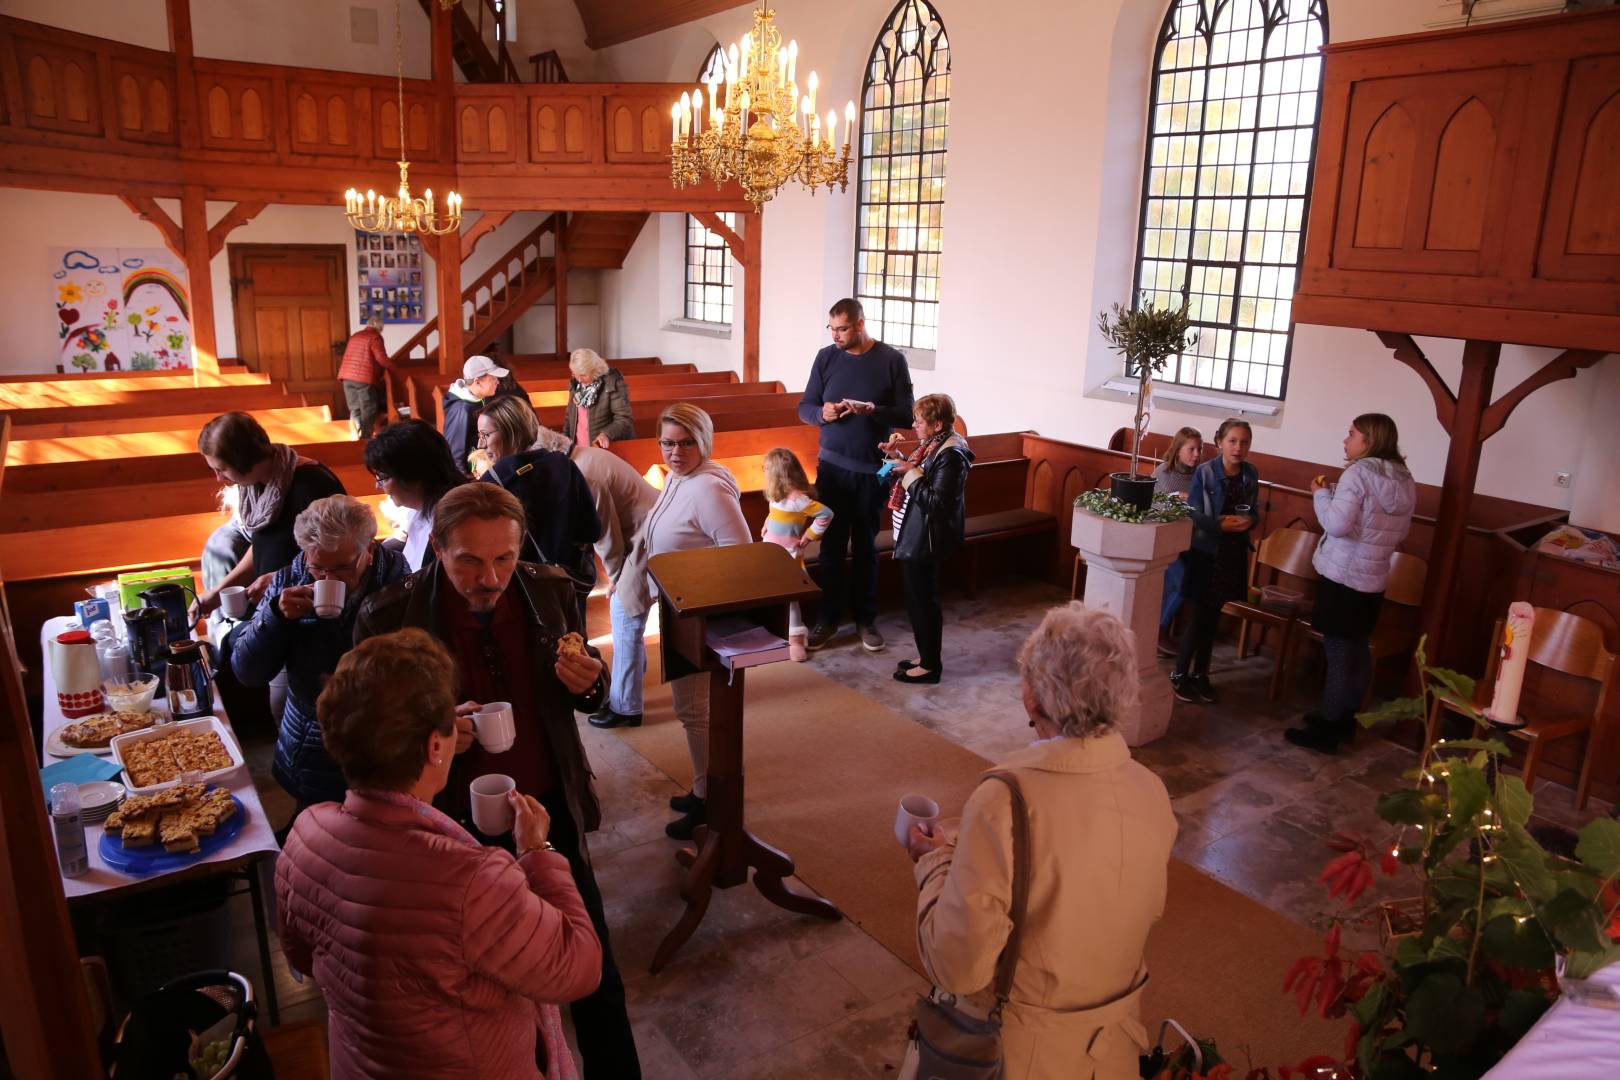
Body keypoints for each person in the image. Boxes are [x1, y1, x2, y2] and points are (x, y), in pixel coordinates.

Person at [353, 482, 638, 1078]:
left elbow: (590, 695)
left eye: (505, 558)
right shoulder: (388, 616)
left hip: (547, 805)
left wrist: (589, 680)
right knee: (492, 990)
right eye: (470, 561)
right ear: (436, 550)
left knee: (594, 972)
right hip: (451, 825)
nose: (491, 578)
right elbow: (367, 747)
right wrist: (426, 742)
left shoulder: (549, 590)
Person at [275, 628, 601, 1080]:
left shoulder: (304, 835)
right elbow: (579, 967)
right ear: (434, 746)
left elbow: (302, 959)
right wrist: (536, 852)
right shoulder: (471, 879)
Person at [904, 603, 1176, 1080]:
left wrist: (933, 864)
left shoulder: (1005, 800)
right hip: (1114, 1054)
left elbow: (958, 965)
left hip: (1023, 1056)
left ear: (1031, 696)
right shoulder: (1150, 790)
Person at [604, 404, 750, 841]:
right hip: (678, 607)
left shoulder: (707, 489)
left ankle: (711, 800)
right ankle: (703, 787)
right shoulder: (676, 479)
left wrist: (703, 601)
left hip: (698, 613)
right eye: (667, 442)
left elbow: (739, 553)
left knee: (697, 712)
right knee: (691, 711)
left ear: (703, 441)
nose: (674, 451)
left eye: (685, 442)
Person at [229, 496, 408, 830]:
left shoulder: (400, 583)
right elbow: (247, 671)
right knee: (321, 830)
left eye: (341, 567)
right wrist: (276, 618)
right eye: (318, 568)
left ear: (368, 549)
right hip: (313, 742)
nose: (328, 578)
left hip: (384, 741)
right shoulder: (286, 583)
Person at [1285, 414, 1416, 753]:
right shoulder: (1404, 478)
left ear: (1369, 440)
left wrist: (1320, 495)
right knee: (1357, 651)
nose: (1346, 440)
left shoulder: (1358, 473)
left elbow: (1337, 525)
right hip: (1372, 579)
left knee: (1340, 652)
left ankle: (1328, 729)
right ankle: (1345, 722)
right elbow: (1400, 533)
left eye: (1352, 434)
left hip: (1343, 576)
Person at [797, 298, 915, 653]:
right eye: (831, 328)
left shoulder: (891, 360)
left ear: (860, 324)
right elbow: (805, 407)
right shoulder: (826, 357)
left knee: (865, 548)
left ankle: (866, 620)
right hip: (832, 468)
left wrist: (872, 410)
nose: (836, 335)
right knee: (831, 547)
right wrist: (824, 414)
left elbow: (907, 415)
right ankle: (828, 620)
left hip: (870, 471)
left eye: (842, 329)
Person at [195, 412, 345, 616]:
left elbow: (337, 559)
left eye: (222, 469)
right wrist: (216, 592)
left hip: (311, 611)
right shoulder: (256, 485)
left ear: (244, 460)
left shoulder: (312, 485)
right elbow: (262, 547)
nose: (218, 478)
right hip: (275, 606)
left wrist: (279, 578)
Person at [477, 396, 603, 628]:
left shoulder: (489, 487)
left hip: (521, 597)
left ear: (511, 431)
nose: (481, 445)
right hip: (567, 589)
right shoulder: (563, 464)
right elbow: (592, 531)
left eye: (486, 435)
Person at [884, 394, 972, 685]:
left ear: (936, 425)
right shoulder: (930, 446)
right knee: (917, 600)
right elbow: (903, 475)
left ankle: (931, 667)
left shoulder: (951, 455)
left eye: (919, 421)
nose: (913, 425)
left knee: (923, 602)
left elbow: (936, 502)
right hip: (913, 532)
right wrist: (894, 459)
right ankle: (926, 655)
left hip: (926, 538)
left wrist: (909, 472)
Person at [1170, 419, 1258, 705]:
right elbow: (1193, 513)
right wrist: (1221, 525)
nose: (1238, 448)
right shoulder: (1206, 473)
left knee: (1214, 617)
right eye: (1232, 441)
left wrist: (1248, 521)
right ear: (1220, 442)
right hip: (1207, 551)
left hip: (1231, 552)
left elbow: (1253, 511)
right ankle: (1180, 674)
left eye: (1244, 442)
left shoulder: (1249, 474)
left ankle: (1201, 675)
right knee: (1199, 617)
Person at [364, 419, 467, 572]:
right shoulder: (421, 507)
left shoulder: (452, 524)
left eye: (383, 477)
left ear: (413, 475)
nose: (378, 486)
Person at [760, 447, 834, 659]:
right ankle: (774, 633)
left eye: (766, 469)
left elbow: (826, 514)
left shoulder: (798, 500)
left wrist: (810, 535)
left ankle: (795, 638)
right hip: (769, 551)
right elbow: (773, 511)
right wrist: (767, 523)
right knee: (771, 593)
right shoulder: (775, 494)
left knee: (790, 597)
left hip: (789, 555)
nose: (764, 472)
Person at [1152, 427, 1203, 658]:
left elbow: (1201, 508)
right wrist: (1179, 500)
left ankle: (1158, 632)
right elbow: (1155, 506)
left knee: (1185, 584)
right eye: (1191, 449)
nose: (1196, 454)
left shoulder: (1200, 475)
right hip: (1161, 540)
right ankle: (1159, 631)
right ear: (1178, 449)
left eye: (1199, 449)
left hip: (1188, 542)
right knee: (1182, 583)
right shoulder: (1164, 473)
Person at [337, 313, 398, 441]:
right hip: (363, 379)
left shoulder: (355, 336)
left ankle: (354, 437)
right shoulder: (375, 337)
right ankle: (365, 438)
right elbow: (381, 359)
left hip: (346, 377)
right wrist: (396, 369)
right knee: (368, 409)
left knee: (355, 409)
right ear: (379, 326)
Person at [443, 354, 508, 474]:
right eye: (493, 379)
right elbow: (455, 452)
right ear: (477, 382)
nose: (498, 382)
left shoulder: (478, 398)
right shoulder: (461, 409)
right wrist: (464, 484)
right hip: (470, 475)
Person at [563, 348, 635, 449]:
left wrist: (606, 434)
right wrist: (565, 444)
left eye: (583, 375)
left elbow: (624, 418)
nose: (579, 379)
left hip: (603, 449)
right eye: (575, 374)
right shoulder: (575, 385)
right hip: (578, 449)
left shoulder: (612, 383)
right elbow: (569, 417)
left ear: (595, 370)